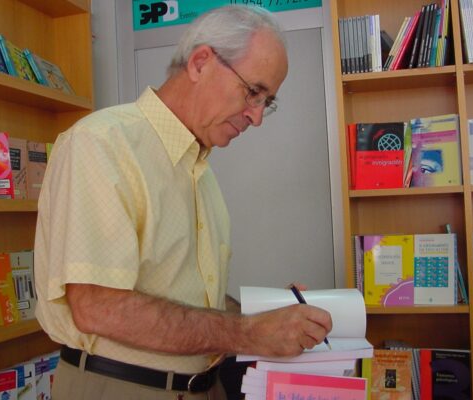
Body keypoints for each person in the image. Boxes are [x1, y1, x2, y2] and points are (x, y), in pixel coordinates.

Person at [34, 5, 332, 400]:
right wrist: (248, 332)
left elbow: (188, 300)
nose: (257, 117)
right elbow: (98, 306)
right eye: (253, 92)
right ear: (200, 63)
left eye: (267, 102)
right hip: (124, 389)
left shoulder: (200, 171)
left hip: (206, 387)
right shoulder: (101, 144)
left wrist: (268, 315)